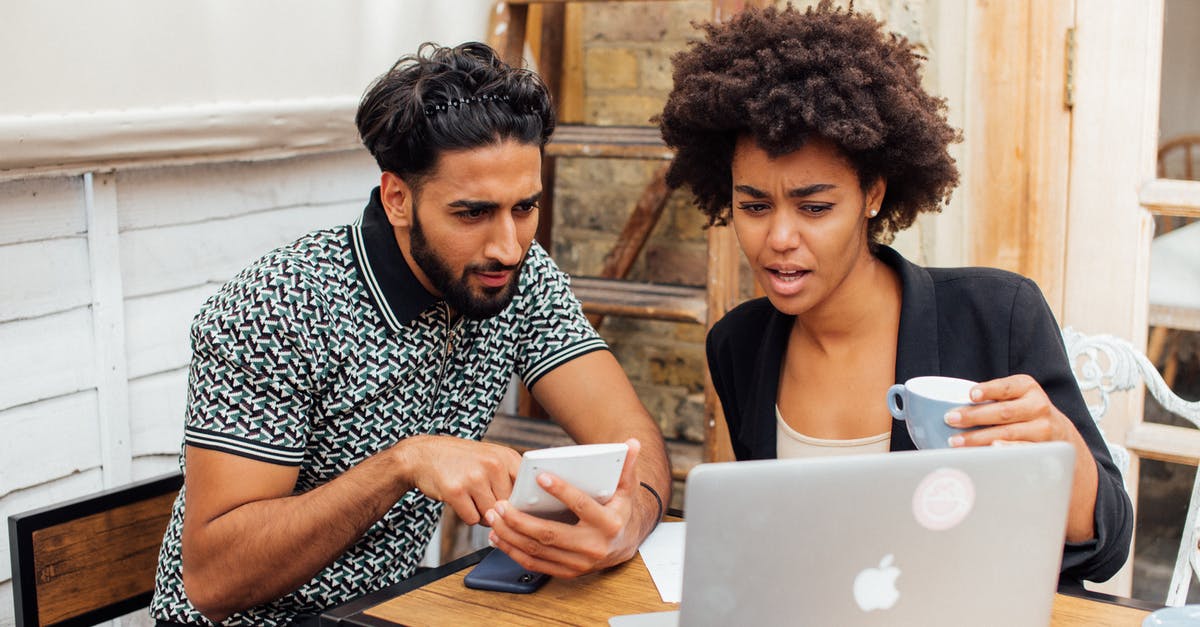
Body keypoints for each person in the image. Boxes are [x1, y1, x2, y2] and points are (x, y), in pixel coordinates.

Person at [149, 42, 671, 626]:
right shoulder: (279, 306)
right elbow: (214, 580)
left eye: (525, 207)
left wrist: (629, 522)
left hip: (394, 613)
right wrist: (404, 463)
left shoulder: (519, 276)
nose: (507, 245)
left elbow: (632, 438)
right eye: (473, 213)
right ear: (398, 198)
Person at [658, 3, 1131, 584]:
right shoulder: (739, 345)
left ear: (873, 194)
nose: (778, 238)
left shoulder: (996, 315)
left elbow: (1107, 548)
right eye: (754, 206)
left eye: (814, 207)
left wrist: (1060, 448)